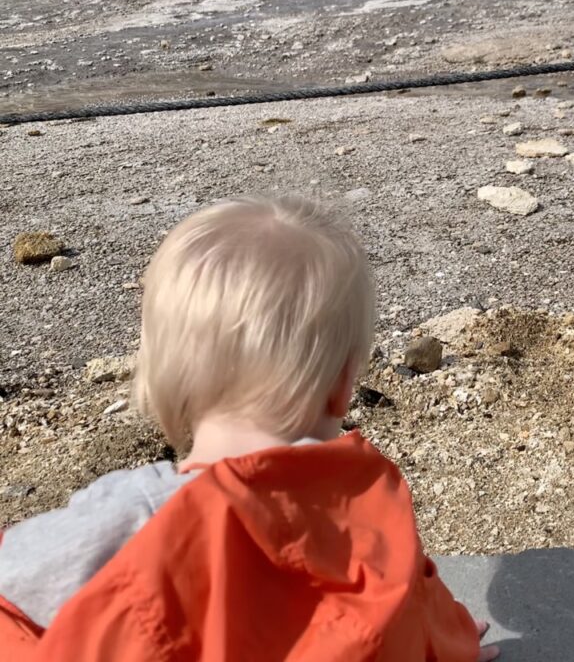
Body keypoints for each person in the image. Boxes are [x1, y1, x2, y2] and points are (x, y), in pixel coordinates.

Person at [0, 196, 499, 662]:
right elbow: (410, 604)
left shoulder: (139, 511)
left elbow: (18, 578)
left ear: (163, 375)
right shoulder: (366, 508)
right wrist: (455, 640)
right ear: (344, 384)